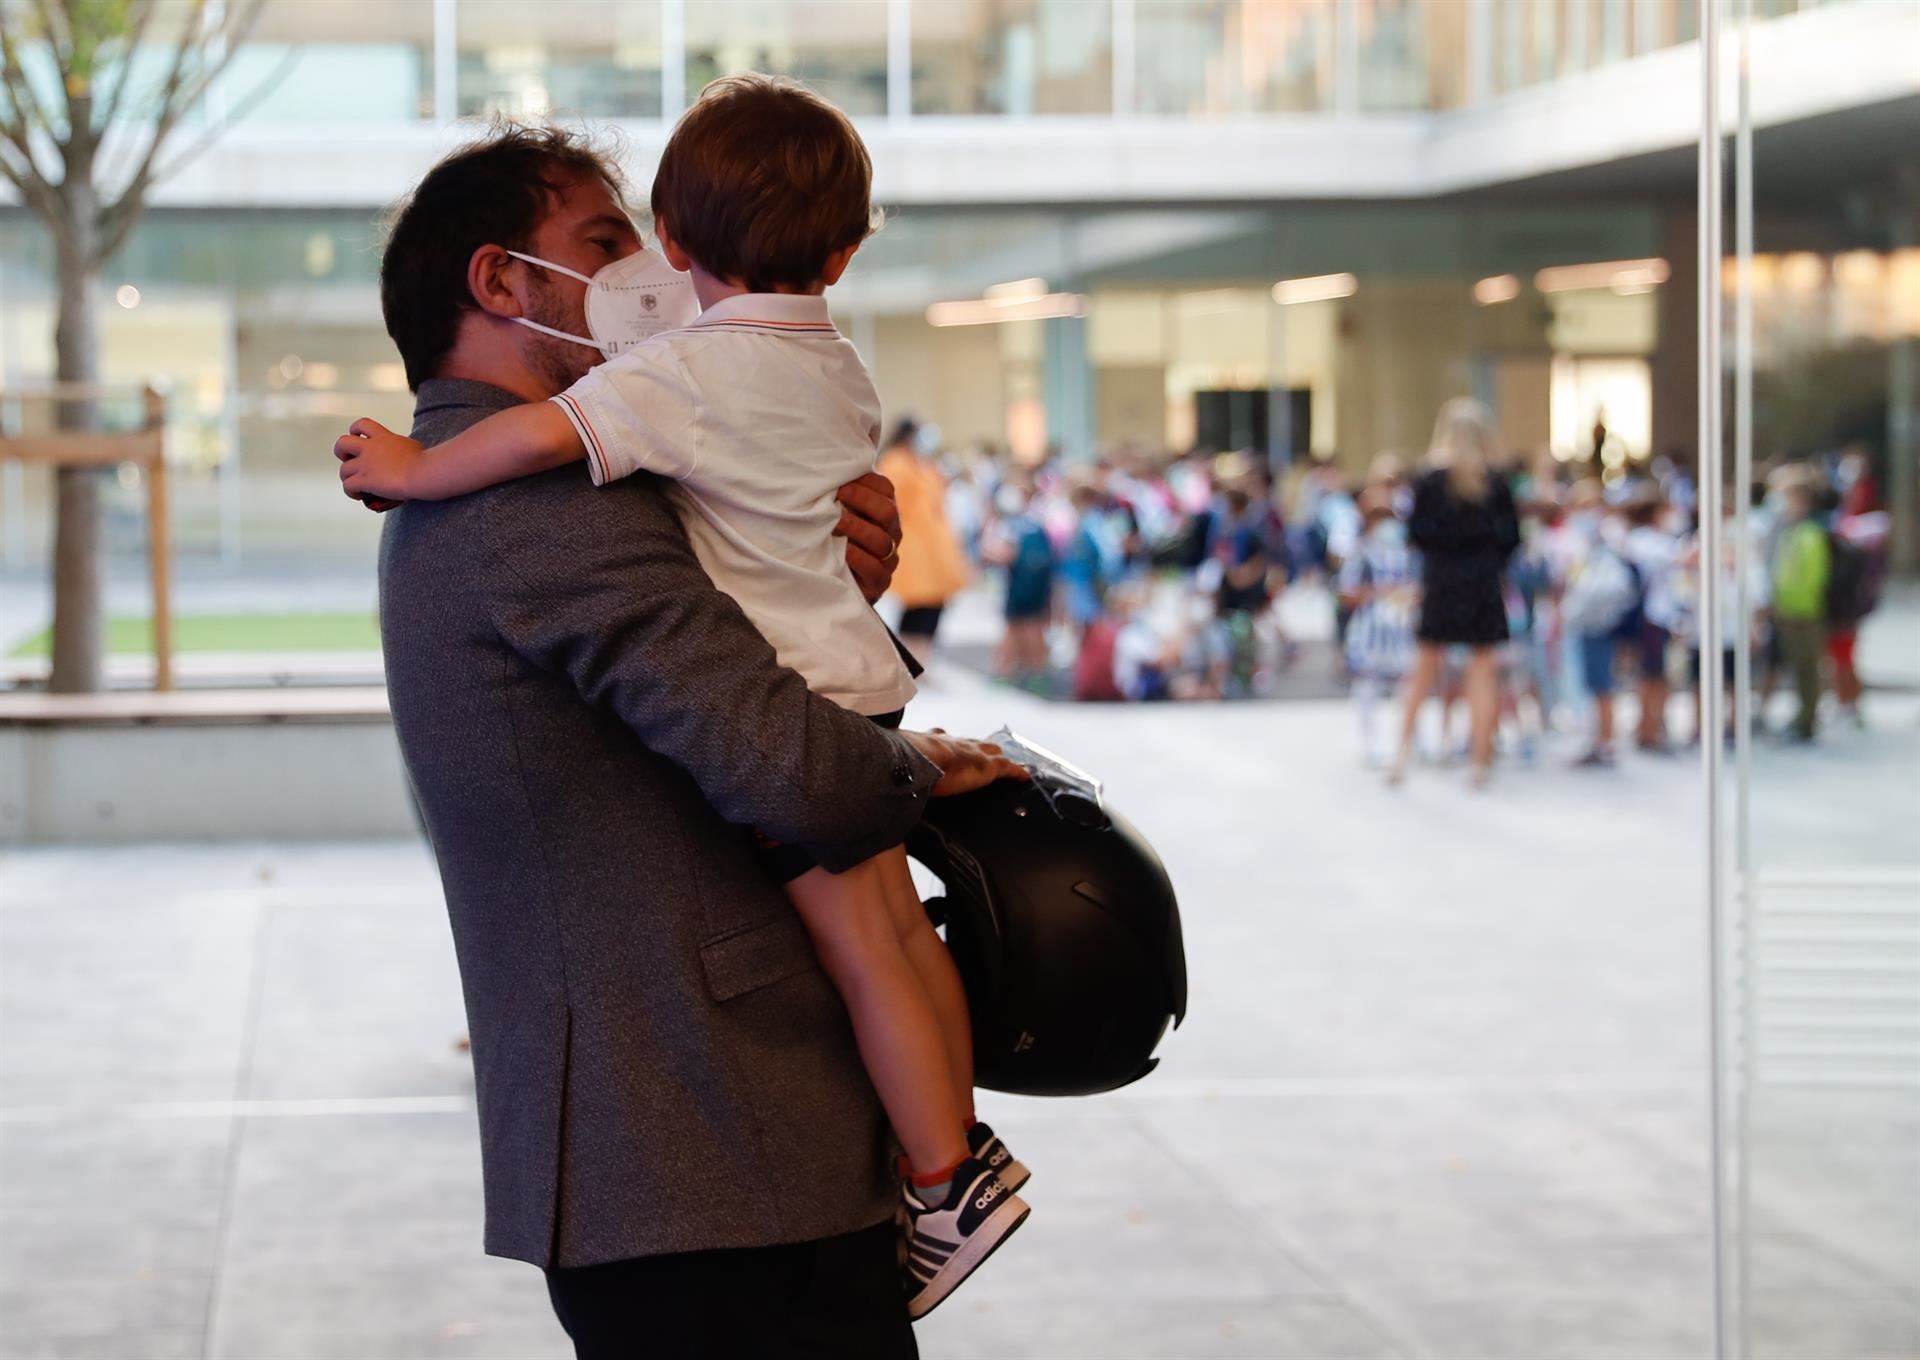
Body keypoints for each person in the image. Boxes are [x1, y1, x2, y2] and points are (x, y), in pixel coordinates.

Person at [340, 116, 1027, 1356]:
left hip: (687, 1163)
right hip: (712, 1154)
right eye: (605, 245)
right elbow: (803, 778)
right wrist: (923, 760)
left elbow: (700, 703)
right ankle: (954, 1166)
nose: (650, 284)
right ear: (500, 281)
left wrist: (817, 583)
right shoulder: (540, 503)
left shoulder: (546, 486)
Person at [1389, 398, 1521, 787]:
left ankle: (1401, 756)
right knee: (1482, 673)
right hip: (1481, 584)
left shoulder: (1431, 480)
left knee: (1423, 671)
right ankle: (1479, 761)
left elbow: (1415, 535)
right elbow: (1510, 539)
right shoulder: (1495, 482)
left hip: (1442, 582)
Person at [879, 417, 972, 664]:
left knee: (934, 604)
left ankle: (922, 658)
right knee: (918, 605)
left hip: (935, 548)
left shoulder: (923, 465)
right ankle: (911, 660)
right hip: (916, 548)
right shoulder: (896, 463)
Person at [1338, 489, 1418, 766]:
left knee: (1407, 686)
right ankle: (1370, 744)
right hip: (1370, 630)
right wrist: (1380, 593)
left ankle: (1411, 740)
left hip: (1399, 628)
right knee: (1367, 687)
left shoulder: (1405, 554)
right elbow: (1347, 593)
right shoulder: (1360, 553)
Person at [1770, 473, 1831, 743]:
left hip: (1804, 611)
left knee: (1807, 667)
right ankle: (1802, 715)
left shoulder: (1810, 533)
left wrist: (1794, 603)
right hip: (1788, 609)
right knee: (1798, 668)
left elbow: (1812, 577)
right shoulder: (1790, 531)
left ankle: (1807, 719)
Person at [1621, 494, 1683, 752]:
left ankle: (1652, 724)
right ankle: (1648, 728)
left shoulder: (1645, 541)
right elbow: (1681, 560)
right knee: (1652, 675)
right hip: (1651, 618)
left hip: (1660, 617)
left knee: (1656, 675)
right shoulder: (1646, 542)